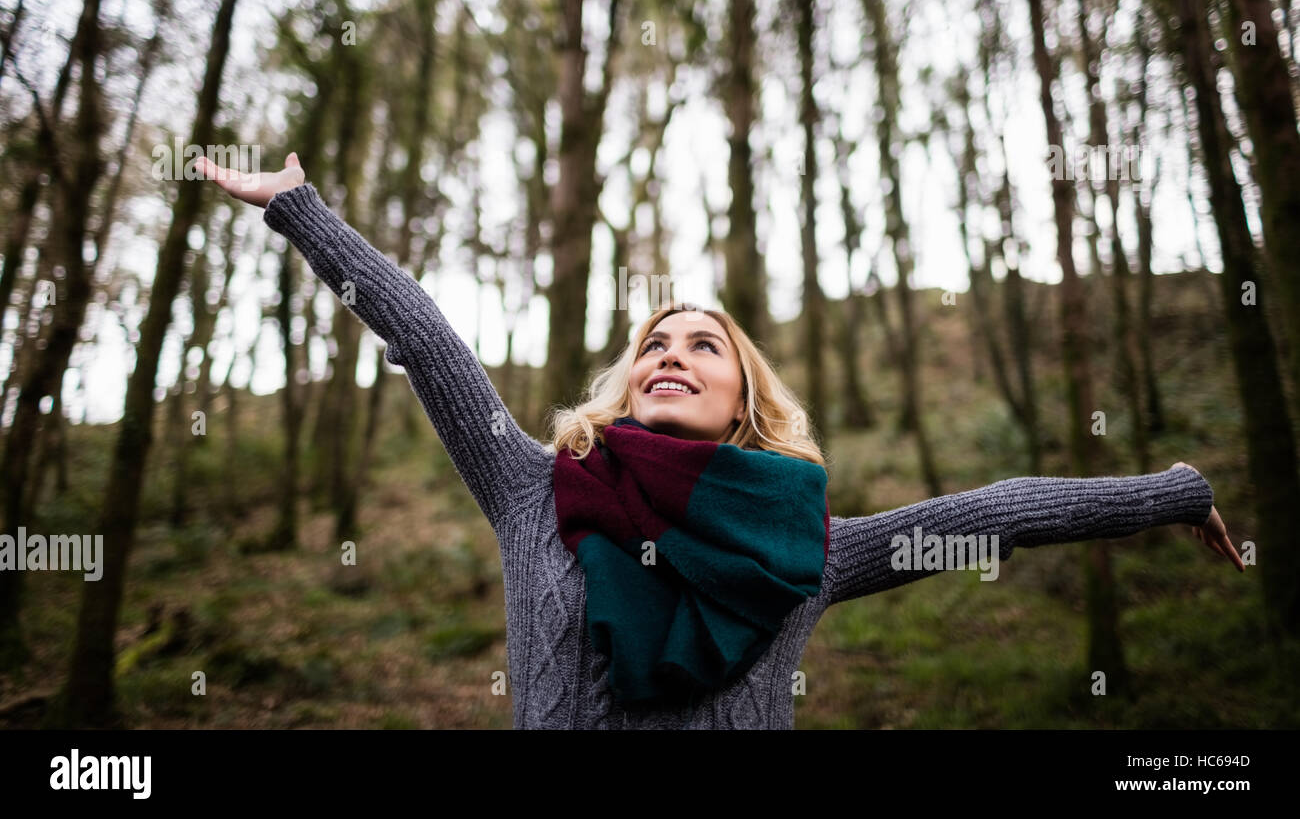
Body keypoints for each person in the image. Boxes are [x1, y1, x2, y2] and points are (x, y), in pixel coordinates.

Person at [197, 152, 1244, 729]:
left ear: (743, 394)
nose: (674, 351)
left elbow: (994, 514)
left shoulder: (806, 547)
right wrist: (299, 210)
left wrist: (1174, 491)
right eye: (656, 340)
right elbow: (427, 340)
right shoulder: (536, 487)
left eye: (706, 344)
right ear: (626, 374)